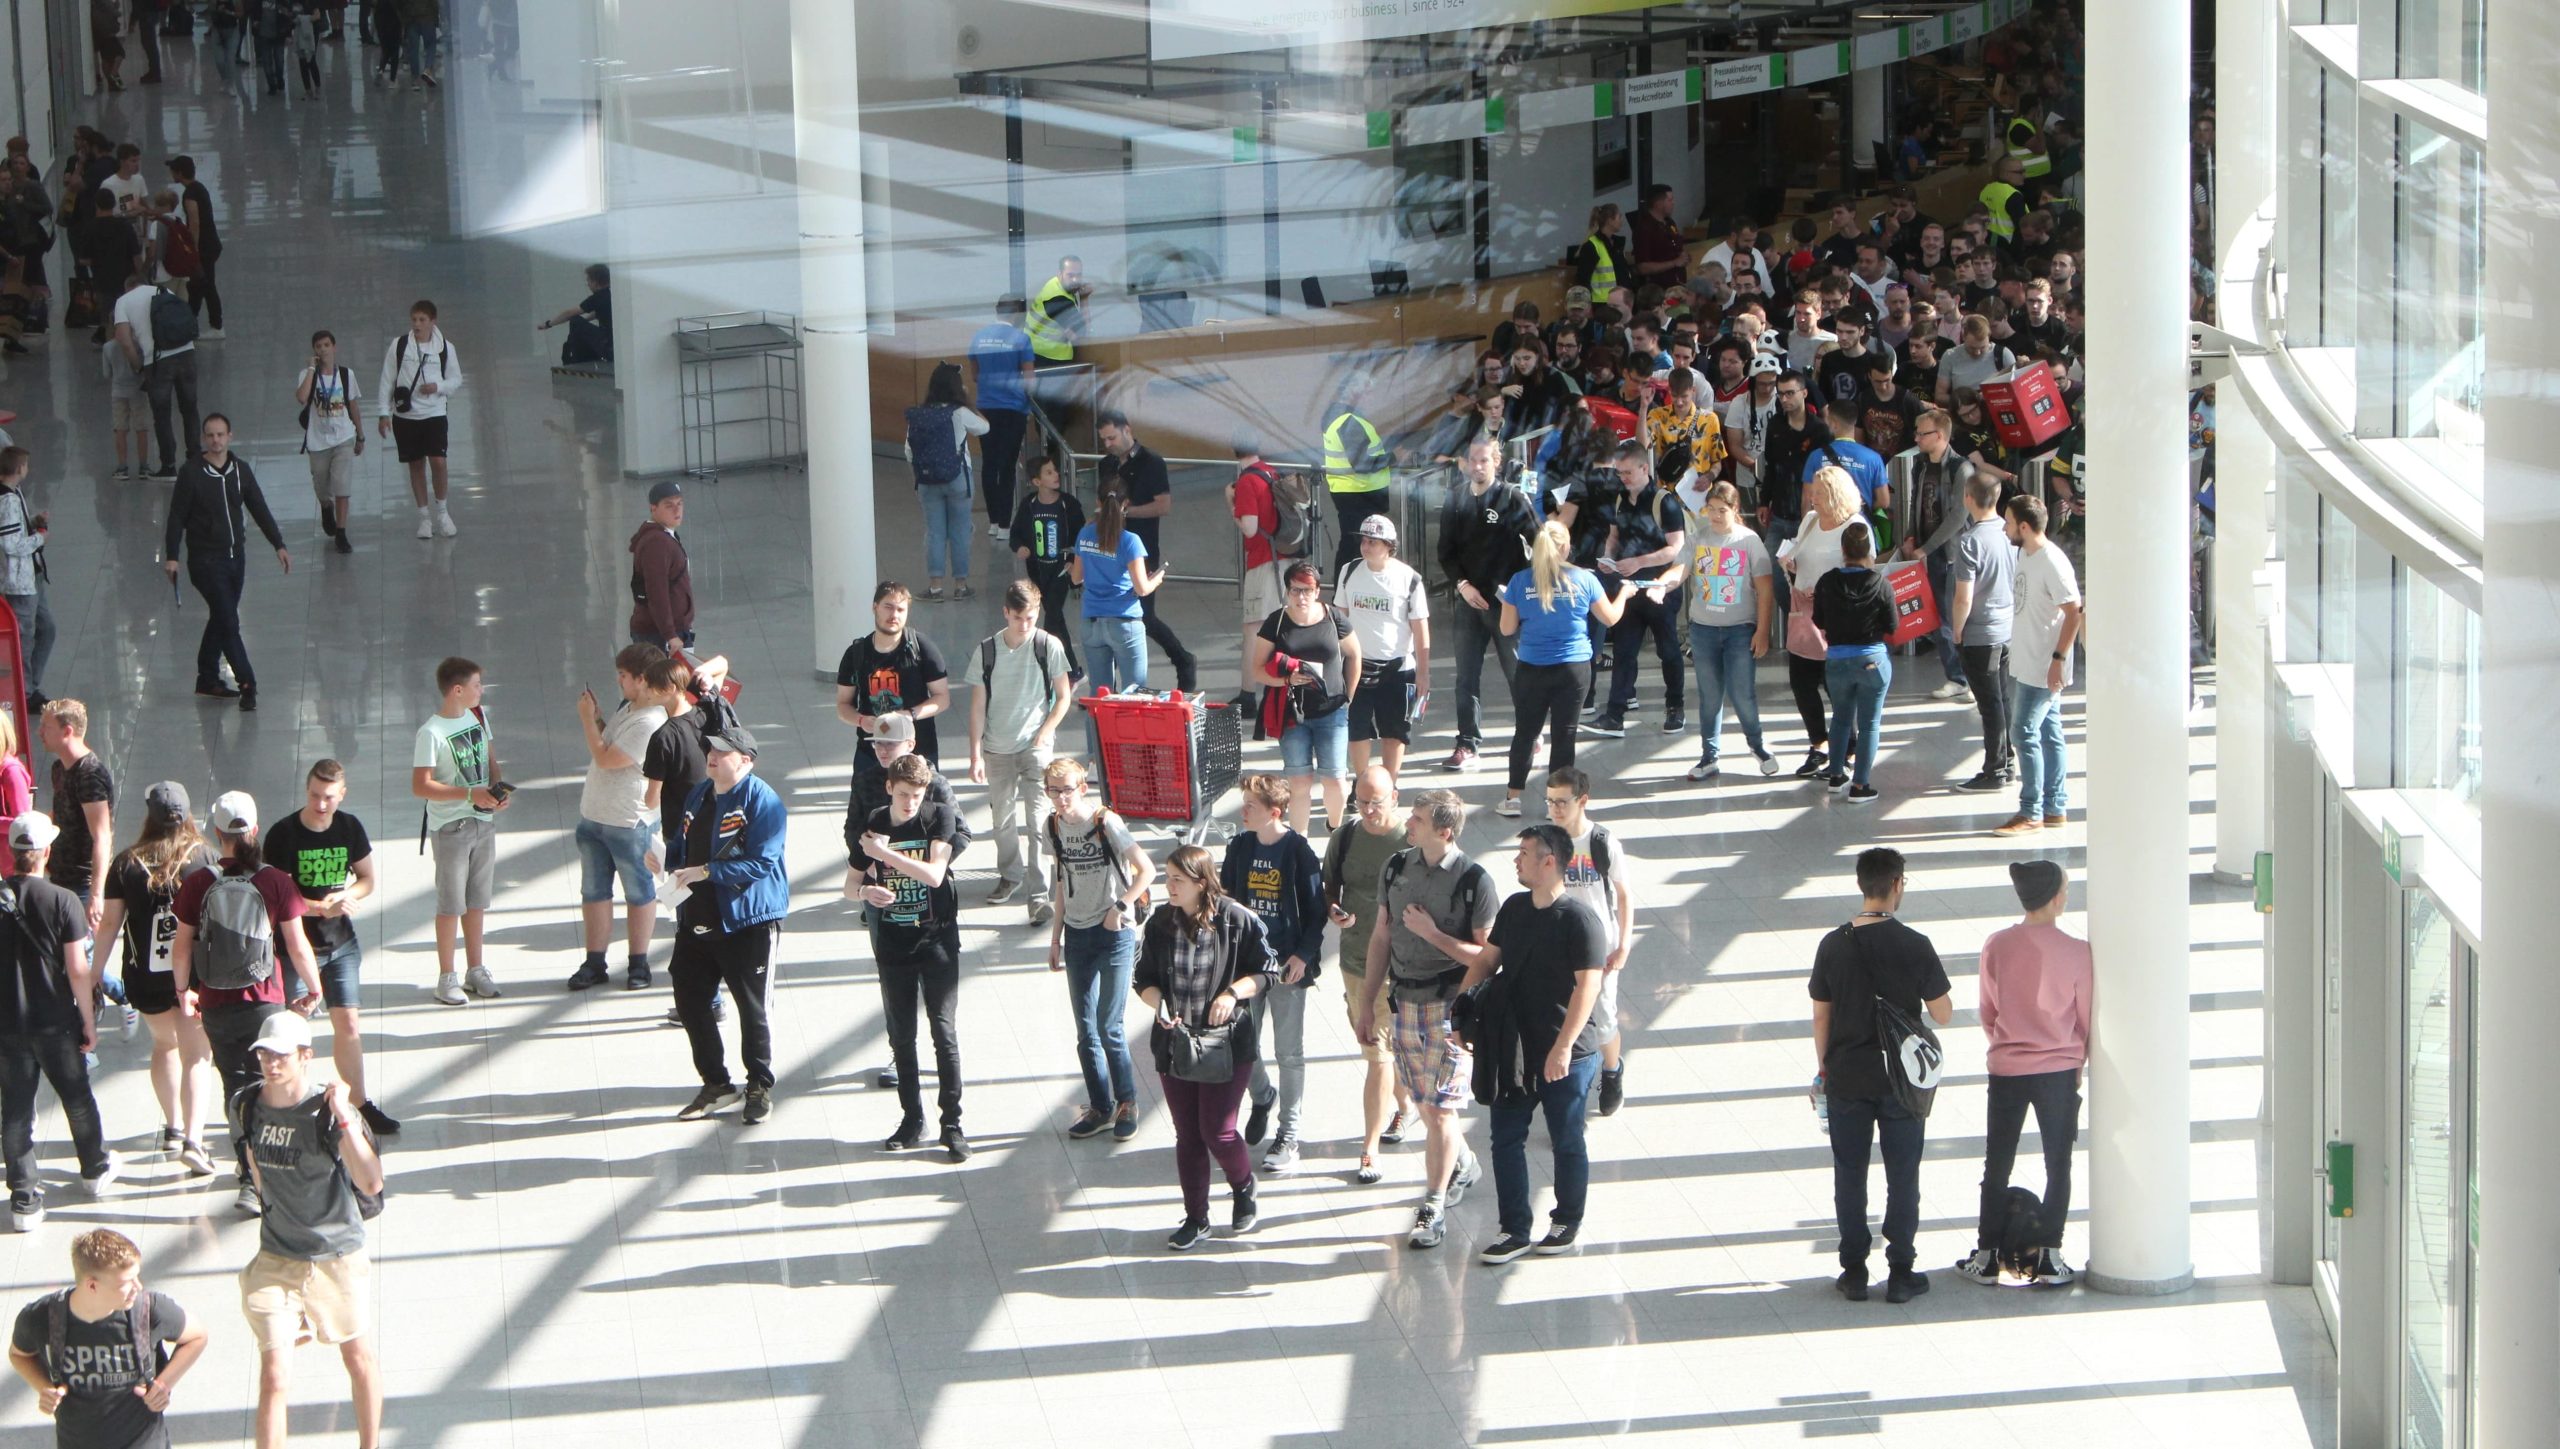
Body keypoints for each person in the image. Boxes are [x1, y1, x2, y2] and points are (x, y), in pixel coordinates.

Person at [1442, 823, 1607, 1264]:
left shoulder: (1579, 920)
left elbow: (1587, 988)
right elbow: (1488, 960)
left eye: (1525, 853)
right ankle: (1514, 1228)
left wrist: (1564, 1047)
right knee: (1505, 1137)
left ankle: (1566, 1221)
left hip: (1565, 1052)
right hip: (1512, 1048)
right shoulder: (1515, 909)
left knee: (1566, 1137)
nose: (1516, 860)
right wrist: (1460, 1009)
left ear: (1549, 861)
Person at [229, 1012, 385, 1449]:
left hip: (336, 1255)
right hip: (276, 1258)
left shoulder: (326, 1111)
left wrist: (343, 1116)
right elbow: (254, 1165)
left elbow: (371, 1181)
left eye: (281, 1055)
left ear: (305, 1057)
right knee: (274, 1376)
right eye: (264, 1053)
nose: (270, 1063)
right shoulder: (245, 1105)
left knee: (357, 1357)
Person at [1809, 847, 1953, 1304]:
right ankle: (1901, 1270)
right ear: (1897, 885)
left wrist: (1824, 1069)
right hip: (1900, 1079)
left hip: (1848, 1076)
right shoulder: (1915, 944)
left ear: (1860, 885)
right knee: (1903, 1172)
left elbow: (1820, 1017)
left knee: (1849, 1173)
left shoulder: (1832, 944)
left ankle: (1853, 1270)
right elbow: (1943, 1013)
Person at [172, 792, 325, 1217]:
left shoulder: (198, 883)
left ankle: (247, 1178)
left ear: (216, 834)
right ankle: (280, 1167)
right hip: (266, 1003)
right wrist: (314, 989)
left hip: (217, 1005)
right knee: (274, 1085)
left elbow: (182, 947)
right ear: (254, 830)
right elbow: (296, 944)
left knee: (236, 1090)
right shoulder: (275, 882)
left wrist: (184, 990)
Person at [1363, 790, 1492, 1248]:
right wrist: (1367, 1001)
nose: (1408, 825)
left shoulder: (1474, 880)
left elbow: (1486, 957)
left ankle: (1432, 1206)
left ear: (1444, 831)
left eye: (1416, 819)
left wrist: (1433, 935)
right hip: (1404, 1001)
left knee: (1439, 1111)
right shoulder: (1397, 867)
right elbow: (1381, 935)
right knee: (1424, 1102)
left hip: (1449, 1009)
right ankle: (1461, 1161)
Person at [1134, 843, 1277, 1251]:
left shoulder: (1235, 920)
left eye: (1177, 880)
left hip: (1227, 1043)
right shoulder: (1161, 921)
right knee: (1188, 1135)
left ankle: (1242, 1186)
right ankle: (1196, 1216)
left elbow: (1268, 970)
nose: (1169, 886)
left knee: (1217, 1130)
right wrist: (1158, 1004)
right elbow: (1142, 978)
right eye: (1167, 878)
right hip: (1176, 1042)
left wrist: (1232, 994)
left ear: (1201, 882)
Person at [1958, 859, 2089, 1288]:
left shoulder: (1997, 944)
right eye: (2066, 889)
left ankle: (1986, 1255)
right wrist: (2078, 1057)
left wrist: (2009, 1041)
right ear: (2055, 898)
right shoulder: (2078, 951)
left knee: (1997, 1162)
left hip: (2008, 1067)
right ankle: (2049, 1255)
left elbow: (1988, 1009)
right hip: (2059, 1069)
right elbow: (2085, 1016)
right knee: (2059, 1163)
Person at [260, 763, 397, 1138]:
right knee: (292, 1030)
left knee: (348, 1024)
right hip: (295, 947)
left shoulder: (349, 827)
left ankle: (359, 1103)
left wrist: (346, 895)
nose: (321, 804)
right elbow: (278, 896)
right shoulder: (284, 835)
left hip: (341, 944)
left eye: (329, 797)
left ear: (342, 795)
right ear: (306, 791)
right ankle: (290, 1105)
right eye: (315, 795)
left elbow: (367, 879)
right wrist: (320, 907)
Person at [668, 727, 790, 1125]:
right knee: (689, 998)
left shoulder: (763, 801)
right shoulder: (700, 794)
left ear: (746, 760)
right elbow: (681, 843)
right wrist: (667, 863)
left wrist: (706, 870)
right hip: (698, 918)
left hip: (747, 922)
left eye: (724, 751)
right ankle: (716, 1083)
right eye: (711, 749)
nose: (713, 756)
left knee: (753, 1008)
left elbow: (763, 862)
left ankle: (759, 1084)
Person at [99, 783, 218, 1176]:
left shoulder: (126, 864)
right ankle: (195, 1140)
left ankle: (172, 1126)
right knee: (197, 1054)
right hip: (195, 977)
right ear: (187, 816)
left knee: (165, 1045)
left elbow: (110, 925)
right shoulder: (206, 859)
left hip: (145, 977)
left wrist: (94, 974)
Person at [0, 814, 111, 1229]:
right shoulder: (63, 900)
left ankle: (24, 1198)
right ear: (46, 852)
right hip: (56, 1022)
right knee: (77, 1098)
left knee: (14, 1110)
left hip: (8, 1026)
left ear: (14, 854)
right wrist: (89, 1021)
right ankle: (94, 1169)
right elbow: (77, 971)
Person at [8, 1228, 212, 1447]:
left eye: (137, 1277)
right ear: (92, 1285)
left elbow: (197, 1336)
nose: (138, 1287)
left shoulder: (149, 1309)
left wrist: (164, 1384)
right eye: (126, 1282)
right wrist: (43, 1387)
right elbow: (19, 1354)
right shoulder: (42, 1317)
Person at [858, 753, 967, 1158]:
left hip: (937, 940)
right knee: (902, 1036)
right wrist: (865, 892)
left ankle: (951, 1123)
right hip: (893, 943)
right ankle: (911, 1118)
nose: (910, 803)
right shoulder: (876, 822)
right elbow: (852, 882)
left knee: (944, 1032)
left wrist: (886, 856)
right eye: (903, 794)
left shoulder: (938, 815)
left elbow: (935, 874)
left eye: (917, 795)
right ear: (889, 788)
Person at [1043, 757, 1152, 1144]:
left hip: (1115, 934)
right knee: (1085, 1029)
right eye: (1053, 791)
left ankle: (1127, 1103)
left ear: (1082, 788)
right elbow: (1060, 880)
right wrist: (1055, 938)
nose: (1060, 799)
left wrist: (1120, 908)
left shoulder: (1106, 823)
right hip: (1077, 934)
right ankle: (1101, 1106)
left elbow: (1147, 870)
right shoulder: (1053, 826)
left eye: (1067, 790)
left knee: (1110, 1025)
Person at [1222, 777, 1325, 1172]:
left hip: (1286, 965)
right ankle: (1263, 1095)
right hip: (1248, 964)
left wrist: (1302, 955)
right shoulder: (1240, 846)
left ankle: (1289, 1132)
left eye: (1250, 805)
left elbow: (1317, 911)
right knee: (1241, 1044)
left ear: (1274, 812)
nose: (1243, 811)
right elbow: (1229, 896)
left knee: (1289, 1052)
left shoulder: (1298, 851)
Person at [1495, 521, 1626, 818]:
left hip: (1531, 667)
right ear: (1566, 547)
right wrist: (1625, 595)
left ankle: (1513, 798)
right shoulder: (1584, 579)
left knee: (1525, 733)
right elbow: (1610, 618)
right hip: (1573, 668)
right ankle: (1556, 803)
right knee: (1564, 735)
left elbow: (1506, 629)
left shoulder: (1519, 581)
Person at [962, 580, 1074, 922]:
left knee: (1038, 820)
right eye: (1019, 617)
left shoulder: (1048, 645)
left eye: (1031, 617)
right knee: (1002, 820)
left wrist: (1045, 731)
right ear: (1006, 613)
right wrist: (975, 754)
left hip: (1035, 747)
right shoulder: (987, 651)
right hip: (997, 748)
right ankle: (1010, 875)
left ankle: (1038, 895)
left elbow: (1064, 696)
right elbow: (977, 706)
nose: (1026, 625)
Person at [1321, 765, 1412, 1184]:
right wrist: (1333, 911)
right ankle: (1406, 1106)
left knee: (1377, 1053)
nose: (1370, 810)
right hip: (1354, 958)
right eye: (1363, 802)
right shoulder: (1346, 836)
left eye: (1378, 802)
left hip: (1400, 966)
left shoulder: (1411, 840)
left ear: (1395, 797)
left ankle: (1369, 1149)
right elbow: (1329, 887)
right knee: (1377, 1046)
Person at [162, 416, 288, 712]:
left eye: (220, 435)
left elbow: (258, 507)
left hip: (235, 557)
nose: (215, 440)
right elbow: (176, 516)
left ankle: (207, 676)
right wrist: (171, 556)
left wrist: (278, 544)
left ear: (230, 436)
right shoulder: (191, 473)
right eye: (210, 435)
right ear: (204, 438)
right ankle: (248, 684)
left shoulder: (240, 471)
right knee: (229, 620)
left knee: (222, 616)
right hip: (205, 561)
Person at [567, 646, 669, 992]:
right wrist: (597, 718)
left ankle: (639, 964)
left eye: (624, 676)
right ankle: (594, 961)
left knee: (639, 892)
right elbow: (609, 739)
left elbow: (608, 758)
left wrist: (585, 721)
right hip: (595, 815)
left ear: (642, 679)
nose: (619, 682)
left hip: (629, 822)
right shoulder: (630, 708)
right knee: (594, 892)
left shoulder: (651, 720)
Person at [1435, 437, 1538, 773]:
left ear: (1496, 461)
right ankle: (1467, 743)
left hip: (1505, 601)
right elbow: (1445, 551)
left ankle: (1531, 731)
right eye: (1472, 461)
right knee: (1466, 675)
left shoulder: (1510, 496)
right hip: (1470, 599)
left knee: (1517, 671)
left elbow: (1540, 541)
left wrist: (1526, 589)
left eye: (1484, 461)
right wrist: (1462, 585)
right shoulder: (1456, 497)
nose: (1477, 467)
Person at [411, 657, 508, 1005]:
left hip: (483, 821)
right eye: (477, 685)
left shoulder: (478, 716)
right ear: (457, 690)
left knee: (477, 901)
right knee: (451, 903)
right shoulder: (431, 733)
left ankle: (476, 968)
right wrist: (469, 794)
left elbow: (490, 758)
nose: (481, 690)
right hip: (451, 826)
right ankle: (446, 975)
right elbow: (421, 786)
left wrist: (497, 791)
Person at [1671, 478, 1778, 779]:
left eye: (1722, 511)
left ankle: (1756, 744)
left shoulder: (1748, 541)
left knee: (1742, 692)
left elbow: (1765, 590)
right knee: (1710, 694)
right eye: (1711, 510)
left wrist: (1762, 630)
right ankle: (1709, 756)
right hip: (1703, 629)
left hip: (1739, 630)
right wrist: (1661, 584)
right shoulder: (1698, 538)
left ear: (1735, 509)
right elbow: (1680, 569)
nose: (1715, 517)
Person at [1541, 768, 1633, 1113]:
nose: (1555, 809)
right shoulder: (1547, 840)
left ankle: (1612, 1071)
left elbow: (1624, 896)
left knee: (1604, 1017)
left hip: (1599, 946)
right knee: (1562, 1014)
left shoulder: (1602, 842)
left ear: (1582, 801)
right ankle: (1569, 1084)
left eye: (1562, 802)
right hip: (1559, 941)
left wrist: (1623, 944)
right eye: (1550, 802)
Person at [1248, 561, 1360, 834]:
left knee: (1335, 779)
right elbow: (1257, 669)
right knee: (1299, 783)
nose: (1301, 597)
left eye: (1307, 590)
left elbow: (1355, 655)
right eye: (1295, 590)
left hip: (1332, 711)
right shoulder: (1277, 622)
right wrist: (1286, 680)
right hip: (1292, 713)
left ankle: (1335, 830)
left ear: (1318, 591)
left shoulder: (1334, 618)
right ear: (1287, 592)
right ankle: (1300, 842)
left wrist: (1348, 697)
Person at [1585, 443, 1687, 740]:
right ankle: (1615, 713)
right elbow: (1614, 536)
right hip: (1629, 587)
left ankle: (1675, 706)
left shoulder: (1664, 502)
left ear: (1645, 468)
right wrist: (1609, 558)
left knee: (1668, 649)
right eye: (1620, 473)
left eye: (1628, 472)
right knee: (1624, 649)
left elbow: (1675, 548)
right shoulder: (1621, 500)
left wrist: (1637, 562)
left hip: (1658, 587)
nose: (1623, 478)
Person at [1995, 495, 2083, 836]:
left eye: (2008, 522)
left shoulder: (2052, 562)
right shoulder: (2024, 554)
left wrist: (2058, 660)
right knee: (2048, 732)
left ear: (2025, 527)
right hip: (2027, 659)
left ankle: (2031, 810)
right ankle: (2054, 807)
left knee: (2024, 731)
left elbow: (2074, 611)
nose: (2005, 528)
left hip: (2044, 664)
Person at [1096, 412, 1198, 692]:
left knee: (1143, 616)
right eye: (1104, 439)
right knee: (1113, 617)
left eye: (1112, 438)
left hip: (1142, 548)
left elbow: (1163, 505)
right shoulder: (1107, 464)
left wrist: (1127, 513)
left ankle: (1182, 659)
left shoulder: (1151, 462)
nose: (1108, 444)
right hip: (1111, 548)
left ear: (1127, 430)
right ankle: (1109, 686)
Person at [1779, 467, 1864, 779]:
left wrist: (1829, 589)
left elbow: (1863, 574)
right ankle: (1819, 743)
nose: (1811, 497)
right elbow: (1801, 556)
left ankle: (1850, 746)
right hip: (1804, 611)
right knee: (1801, 682)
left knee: (1836, 685)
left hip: (1836, 617)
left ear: (1836, 495)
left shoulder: (1854, 526)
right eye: (1812, 490)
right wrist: (1790, 563)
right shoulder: (1810, 520)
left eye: (1819, 492)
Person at [1336, 514, 1430, 780]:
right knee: (1357, 729)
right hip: (1356, 666)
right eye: (1364, 541)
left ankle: (1389, 784)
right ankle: (1363, 782)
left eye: (1373, 542)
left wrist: (1423, 672)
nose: (1366, 547)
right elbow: (1339, 620)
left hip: (1397, 668)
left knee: (1395, 731)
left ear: (1389, 545)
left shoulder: (1408, 578)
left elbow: (1420, 628)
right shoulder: (1349, 571)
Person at [1894, 404, 1977, 702]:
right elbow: (1915, 500)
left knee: (1952, 616)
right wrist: (1910, 534)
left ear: (1939, 435)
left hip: (1949, 552)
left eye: (1922, 433)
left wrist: (1926, 548)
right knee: (1935, 616)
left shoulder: (1960, 468)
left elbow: (1958, 516)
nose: (1916, 438)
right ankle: (1956, 676)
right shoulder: (1921, 464)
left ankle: (1964, 677)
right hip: (1925, 548)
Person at [1943, 472, 2019, 793]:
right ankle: (2008, 760)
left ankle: (1995, 769)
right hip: (2006, 630)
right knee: (2001, 699)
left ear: (1967, 498)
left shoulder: (1970, 541)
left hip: (1979, 633)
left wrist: (1956, 631)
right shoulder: (2009, 534)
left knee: (1989, 705)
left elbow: (1964, 597)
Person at [836, 581, 953, 784]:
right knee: (867, 811)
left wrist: (910, 715)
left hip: (918, 750)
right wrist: (862, 721)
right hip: (871, 753)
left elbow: (942, 698)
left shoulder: (921, 648)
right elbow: (843, 705)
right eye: (888, 607)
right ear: (875, 608)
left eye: (901, 609)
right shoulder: (856, 654)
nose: (894, 615)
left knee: (921, 809)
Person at [1811, 521, 1895, 803]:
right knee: (1870, 723)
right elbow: (1892, 625)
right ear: (1868, 550)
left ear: (1843, 550)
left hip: (1836, 661)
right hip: (1872, 660)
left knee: (1841, 718)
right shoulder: (1880, 583)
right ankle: (1860, 786)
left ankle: (1836, 776)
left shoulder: (1827, 581)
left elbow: (1818, 620)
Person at [375, 300, 463, 541]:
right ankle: (424, 517)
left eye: (422, 320)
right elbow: (387, 379)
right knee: (415, 465)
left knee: (438, 461)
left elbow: (456, 380)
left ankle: (443, 513)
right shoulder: (399, 346)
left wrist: (438, 386)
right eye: (414, 319)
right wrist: (383, 413)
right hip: (406, 416)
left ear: (433, 321)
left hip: (434, 413)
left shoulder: (445, 348)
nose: (417, 324)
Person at [904, 361, 988, 601]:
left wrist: (918, 477)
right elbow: (985, 427)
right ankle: (961, 585)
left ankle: (935, 587)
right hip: (958, 479)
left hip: (927, 481)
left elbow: (909, 451)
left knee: (934, 532)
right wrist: (968, 402)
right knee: (960, 531)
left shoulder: (918, 415)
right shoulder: (959, 413)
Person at [1070, 484, 1163, 696]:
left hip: (1091, 623)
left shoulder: (1085, 534)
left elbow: (1077, 577)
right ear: (1126, 504)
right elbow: (1142, 588)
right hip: (1124, 623)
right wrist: (1156, 580)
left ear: (1097, 503)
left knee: (1099, 696)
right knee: (1135, 695)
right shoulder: (1131, 541)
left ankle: (1096, 731)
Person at [40, 701, 114, 947]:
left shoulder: (89, 776)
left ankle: (114, 989)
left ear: (67, 730)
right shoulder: (59, 768)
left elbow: (102, 836)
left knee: (83, 956)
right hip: (60, 877)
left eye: (46, 727)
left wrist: (95, 894)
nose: (39, 732)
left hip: (81, 884)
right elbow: (59, 813)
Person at [1007, 453, 1084, 678]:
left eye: (1055, 471)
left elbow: (1080, 536)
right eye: (1049, 472)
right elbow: (1016, 534)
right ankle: (1070, 668)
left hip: (1061, 570)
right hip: (1038, 571)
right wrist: (1019, 547)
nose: (1056, 475)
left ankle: (1051, 664)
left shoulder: (1068, 504)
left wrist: (1072, 560)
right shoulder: (1028, 505)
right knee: (1054, 615)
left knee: (1052, 616)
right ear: (1036, 481)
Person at [114, 273, 196, 482]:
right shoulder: (163, 291)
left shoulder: (123, 301)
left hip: (157, 361)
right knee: (189, 408)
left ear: (127, 287)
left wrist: (138, 366)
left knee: (162, 414)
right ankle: (195, 458)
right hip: (186, 352)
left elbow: (124, 340)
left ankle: (169, 466)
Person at [294, 331, 366, 554]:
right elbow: (302, 398)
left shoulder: (346, 375)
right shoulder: (308, 375)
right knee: (321, 483)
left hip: (343, 436)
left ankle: (341, 532)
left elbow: (353, 405)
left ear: (334, 347)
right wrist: (311, 370)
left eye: (326, 345)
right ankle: (326, 507)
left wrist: (360, 435)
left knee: (342, 485)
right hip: (318, 441)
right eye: (318, 346)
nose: (323, 349)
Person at [968, 295, 1034, 536]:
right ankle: (1006, 525)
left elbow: (975, 375)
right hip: (1013, 408)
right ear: (1017, 314)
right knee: (1007, 467)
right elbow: (1029, 380)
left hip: (985, 406)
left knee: (989, 464)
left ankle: (994, 522)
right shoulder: (1021, 339)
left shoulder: (978, 337)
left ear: (996, 310)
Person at [1229, 440, 1284, 710]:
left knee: (1253, 629)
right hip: (1285, 557)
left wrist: (1231, 504)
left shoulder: (1247, 482)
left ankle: (1248, 695)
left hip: (1263, 560)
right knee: (1285, 625)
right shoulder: (1271, 472)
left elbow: (1250, 528)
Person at [0, 448, 56, 702]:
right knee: (24, 638)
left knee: (46, 628)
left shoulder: (14, 494)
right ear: (20, 468)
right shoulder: (8, 501)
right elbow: (11, 545)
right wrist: (39, 538)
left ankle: (29, 685)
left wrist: (33, 521)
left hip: (31, 577)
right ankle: (24, 692)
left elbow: (13, 530)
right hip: (19, 582)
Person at [1320, 384, 1394, 574]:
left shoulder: (1341, 417)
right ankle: (1346, 595)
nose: (1372, 398)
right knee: (1357, 548)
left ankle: (1346, 594)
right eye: (1369, 392)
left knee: (1355, 546)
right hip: (1359, 494)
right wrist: (1395, 457)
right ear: (1355, 393)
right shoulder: (1348, 420)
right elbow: (1362, 464)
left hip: (1354, 493)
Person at [628, 479, 693, 651]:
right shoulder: (657, 543)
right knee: (666, 679)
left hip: (665, 631)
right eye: (669, 505)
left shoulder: (663, 536)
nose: (677, 510)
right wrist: (670, 634)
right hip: (659, 636)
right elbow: (657, 592)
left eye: (680, 504)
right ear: (653, 508)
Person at [165, 158, 220, 339]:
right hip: (211, 244)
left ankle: (216, 325)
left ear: (180, 173)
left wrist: (192, 249)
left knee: (206, 285)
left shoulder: (190, 193)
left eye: (173, 171)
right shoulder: (199, 188)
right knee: (197, 286)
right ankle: (191, 321)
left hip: (203, 247)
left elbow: (194, 221)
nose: (172, 174)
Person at [103, 325, 154, 481]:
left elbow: (106, 374)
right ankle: (143, 466)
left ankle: (122, 467)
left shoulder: (108, 347)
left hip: (118, 391)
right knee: (142, 428)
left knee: (120, 429)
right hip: (138, 391)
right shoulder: (139, 345)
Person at [536, 263, 613, 366]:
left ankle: (579, 360)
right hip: (611, 342)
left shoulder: (597, 297)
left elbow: (569, 313)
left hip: (606, 342)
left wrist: (548, 324)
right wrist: (585, 322)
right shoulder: (610, 295)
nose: (588, 284)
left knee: (575, 321)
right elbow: (597, 313)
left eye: (588, 280)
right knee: (580, 324)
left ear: (595, 282)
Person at [1568, 203, 1632, 297]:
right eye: (1619, 217)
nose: (1622, 221)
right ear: (1610, 220)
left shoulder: (1617, 244)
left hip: (1619, 299)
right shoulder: (1591, 246)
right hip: (1601, 303)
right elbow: (1583, 280)